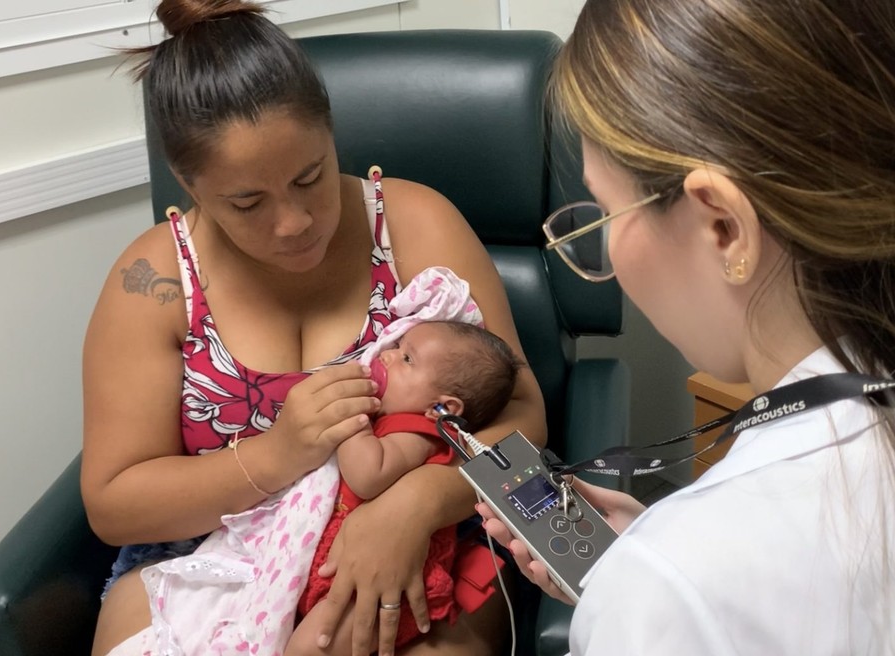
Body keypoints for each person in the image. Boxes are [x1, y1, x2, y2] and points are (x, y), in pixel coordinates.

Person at [478, 0, 895, 654]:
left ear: (723, 227)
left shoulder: (673, 587)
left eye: (603, 214)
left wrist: (654, 592)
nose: (606, 256)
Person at [80, 1, 546, 655]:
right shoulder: (152, 282)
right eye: (247, 203)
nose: (294, 222)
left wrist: (415, 503)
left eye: (310, 176)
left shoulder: (416, 226)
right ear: (188, 183)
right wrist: (276, 456)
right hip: (206, 562)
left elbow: (523, 414)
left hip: (415, 554)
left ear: (331, 134)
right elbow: (114, 504)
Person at [288, 319, 524, 655]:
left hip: (388, 584)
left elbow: (368, 476)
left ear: (442, 408)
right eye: (397, 347)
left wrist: (348, 417)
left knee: (309, 649)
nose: (386, 356)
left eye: (406, 359)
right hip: (348, 567)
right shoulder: (392, 421)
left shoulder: (419, 433)